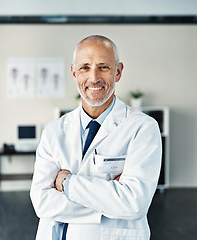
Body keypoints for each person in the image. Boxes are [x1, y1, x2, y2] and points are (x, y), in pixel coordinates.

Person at [30, 35, 162, 240]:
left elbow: (134, 204)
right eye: (84, 68)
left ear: (117, 72)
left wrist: (67, 184)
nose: (93, 78)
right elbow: (41, 202)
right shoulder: (54, 131)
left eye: (103, 67)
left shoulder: (142, 128)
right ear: (74, 73)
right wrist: (111, 198)